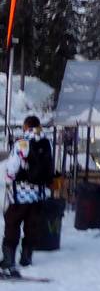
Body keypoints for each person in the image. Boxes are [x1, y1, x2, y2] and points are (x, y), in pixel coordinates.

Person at [2, 116, 53, 275]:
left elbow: (12, 167)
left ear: (26, 126)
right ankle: (26, 257)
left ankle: (9, 258)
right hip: (39, 194)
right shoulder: (47, 142)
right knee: (32, 226)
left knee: (12, 224)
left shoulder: (22, 143)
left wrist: (8, 179)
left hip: (20, 193)